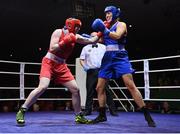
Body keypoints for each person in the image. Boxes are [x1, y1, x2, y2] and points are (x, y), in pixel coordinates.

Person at [16, 18, 100, 125]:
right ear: (70, 25)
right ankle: (22, 110)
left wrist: (103, 31)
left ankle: (79, 116)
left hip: (61, 66)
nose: (78, 29)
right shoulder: (58, 32)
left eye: (79, 27)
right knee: (43, 87)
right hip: (49, 62)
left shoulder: (76, 36)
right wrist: (65, 41)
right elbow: (52, 48)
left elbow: (92, 41)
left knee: (75, 89)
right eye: (76, 26)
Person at [91, 6, 156, 127]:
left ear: (115, 14)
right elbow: (98, 40)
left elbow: (117, 36)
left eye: (109, 13)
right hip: (107, 58)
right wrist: (88, 38)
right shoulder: (106, 26)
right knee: (99, 87)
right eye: (106, 14)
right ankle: (102, 115)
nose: (107, 16)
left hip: (120, 57)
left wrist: (104, 29)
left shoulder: (121, 24)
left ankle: (147, 115)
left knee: (130, 85)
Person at [79, 32, 118, 116]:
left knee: (106, 90)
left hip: (102, 70)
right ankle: (87, 110)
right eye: (92, 36)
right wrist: (85, 66)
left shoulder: (103, 47)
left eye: (95, 36)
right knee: (90, 91)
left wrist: (108, 68)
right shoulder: (86, 48)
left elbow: (109, 58)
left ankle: (113, 110)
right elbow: (81, 59)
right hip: (91, 71)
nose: (94, 37)